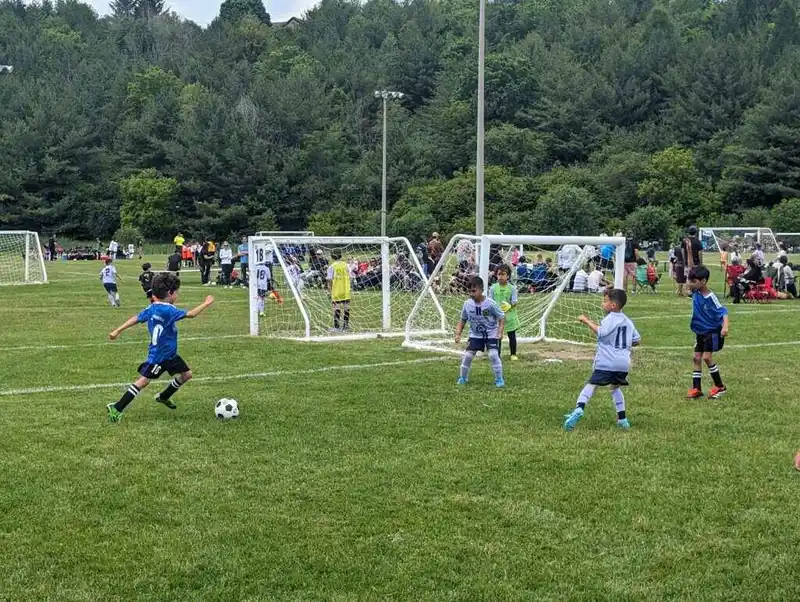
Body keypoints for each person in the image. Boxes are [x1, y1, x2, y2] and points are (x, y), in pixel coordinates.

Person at [105, 273, 214, 423]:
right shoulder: (169, 310)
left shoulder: (152, 308)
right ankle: (117, 408)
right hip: (159, 357)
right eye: (176, 292)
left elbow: (136, 318)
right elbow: (191, 314)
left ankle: (164, 397)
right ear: (170, 293)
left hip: (170, 355)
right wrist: (206, 303)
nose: (177, 295)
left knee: (187, 374)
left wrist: (118, 330)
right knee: (143, 381)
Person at [563, 288, 640, 431]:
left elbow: (601, 332)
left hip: (606, 362)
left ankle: (579, 409)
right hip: (623, 364)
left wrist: (586, 321)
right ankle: (622, 419)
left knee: (591, 385)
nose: (602, 304)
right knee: (615, 388)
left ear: (613, 305)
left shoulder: (610, 319)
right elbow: (637, 340)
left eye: (605, 301)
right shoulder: (628, 321)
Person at [454, 276, 505, 388]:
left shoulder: (490, 304)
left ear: (481, 290)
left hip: (491, 334)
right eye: (469, 291)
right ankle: (463, 378)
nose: (471, 294)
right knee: (467, 356)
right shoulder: (467, 304)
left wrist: (500, 332)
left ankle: (499, 379)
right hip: (475, 335)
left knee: (493, 355)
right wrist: (458, 334)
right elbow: (463, 320)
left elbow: (501, 316)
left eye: (474, 291)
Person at [686, 266, 729, 400]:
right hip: (701, 331)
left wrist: (725, 327)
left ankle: (720, 386)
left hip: (712, 331)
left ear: (703, 281)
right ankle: (696, 389)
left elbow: (723, 311)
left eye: (693, 281)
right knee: (696, 357)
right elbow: (691, 267)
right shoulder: (696, 292)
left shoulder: (711, 297)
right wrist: (689, 253)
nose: (690, 284)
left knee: (706, 357)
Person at [489, 265, 519, 361]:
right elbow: (490, 301)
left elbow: (514, 301)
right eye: (499, 274)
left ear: (508, 276)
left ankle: (513, 354)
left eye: (503, 274)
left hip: (509, 317)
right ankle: (497, 354)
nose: (501, 276)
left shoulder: (512, 288)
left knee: (512, 335)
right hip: (497, 317)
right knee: (498, 336)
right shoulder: (493, 288)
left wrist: (509, 305)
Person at [327, 250, 351, 331]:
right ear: (341, 256)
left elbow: (329, 280)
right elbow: (350, 276)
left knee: (336, 308)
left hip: (336, 290)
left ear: (332, 257)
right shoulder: (346, 265)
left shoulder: (331, 267)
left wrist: (329, 291)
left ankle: (337, 327)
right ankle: (346, 326)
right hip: (346, 289)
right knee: (346, 307)